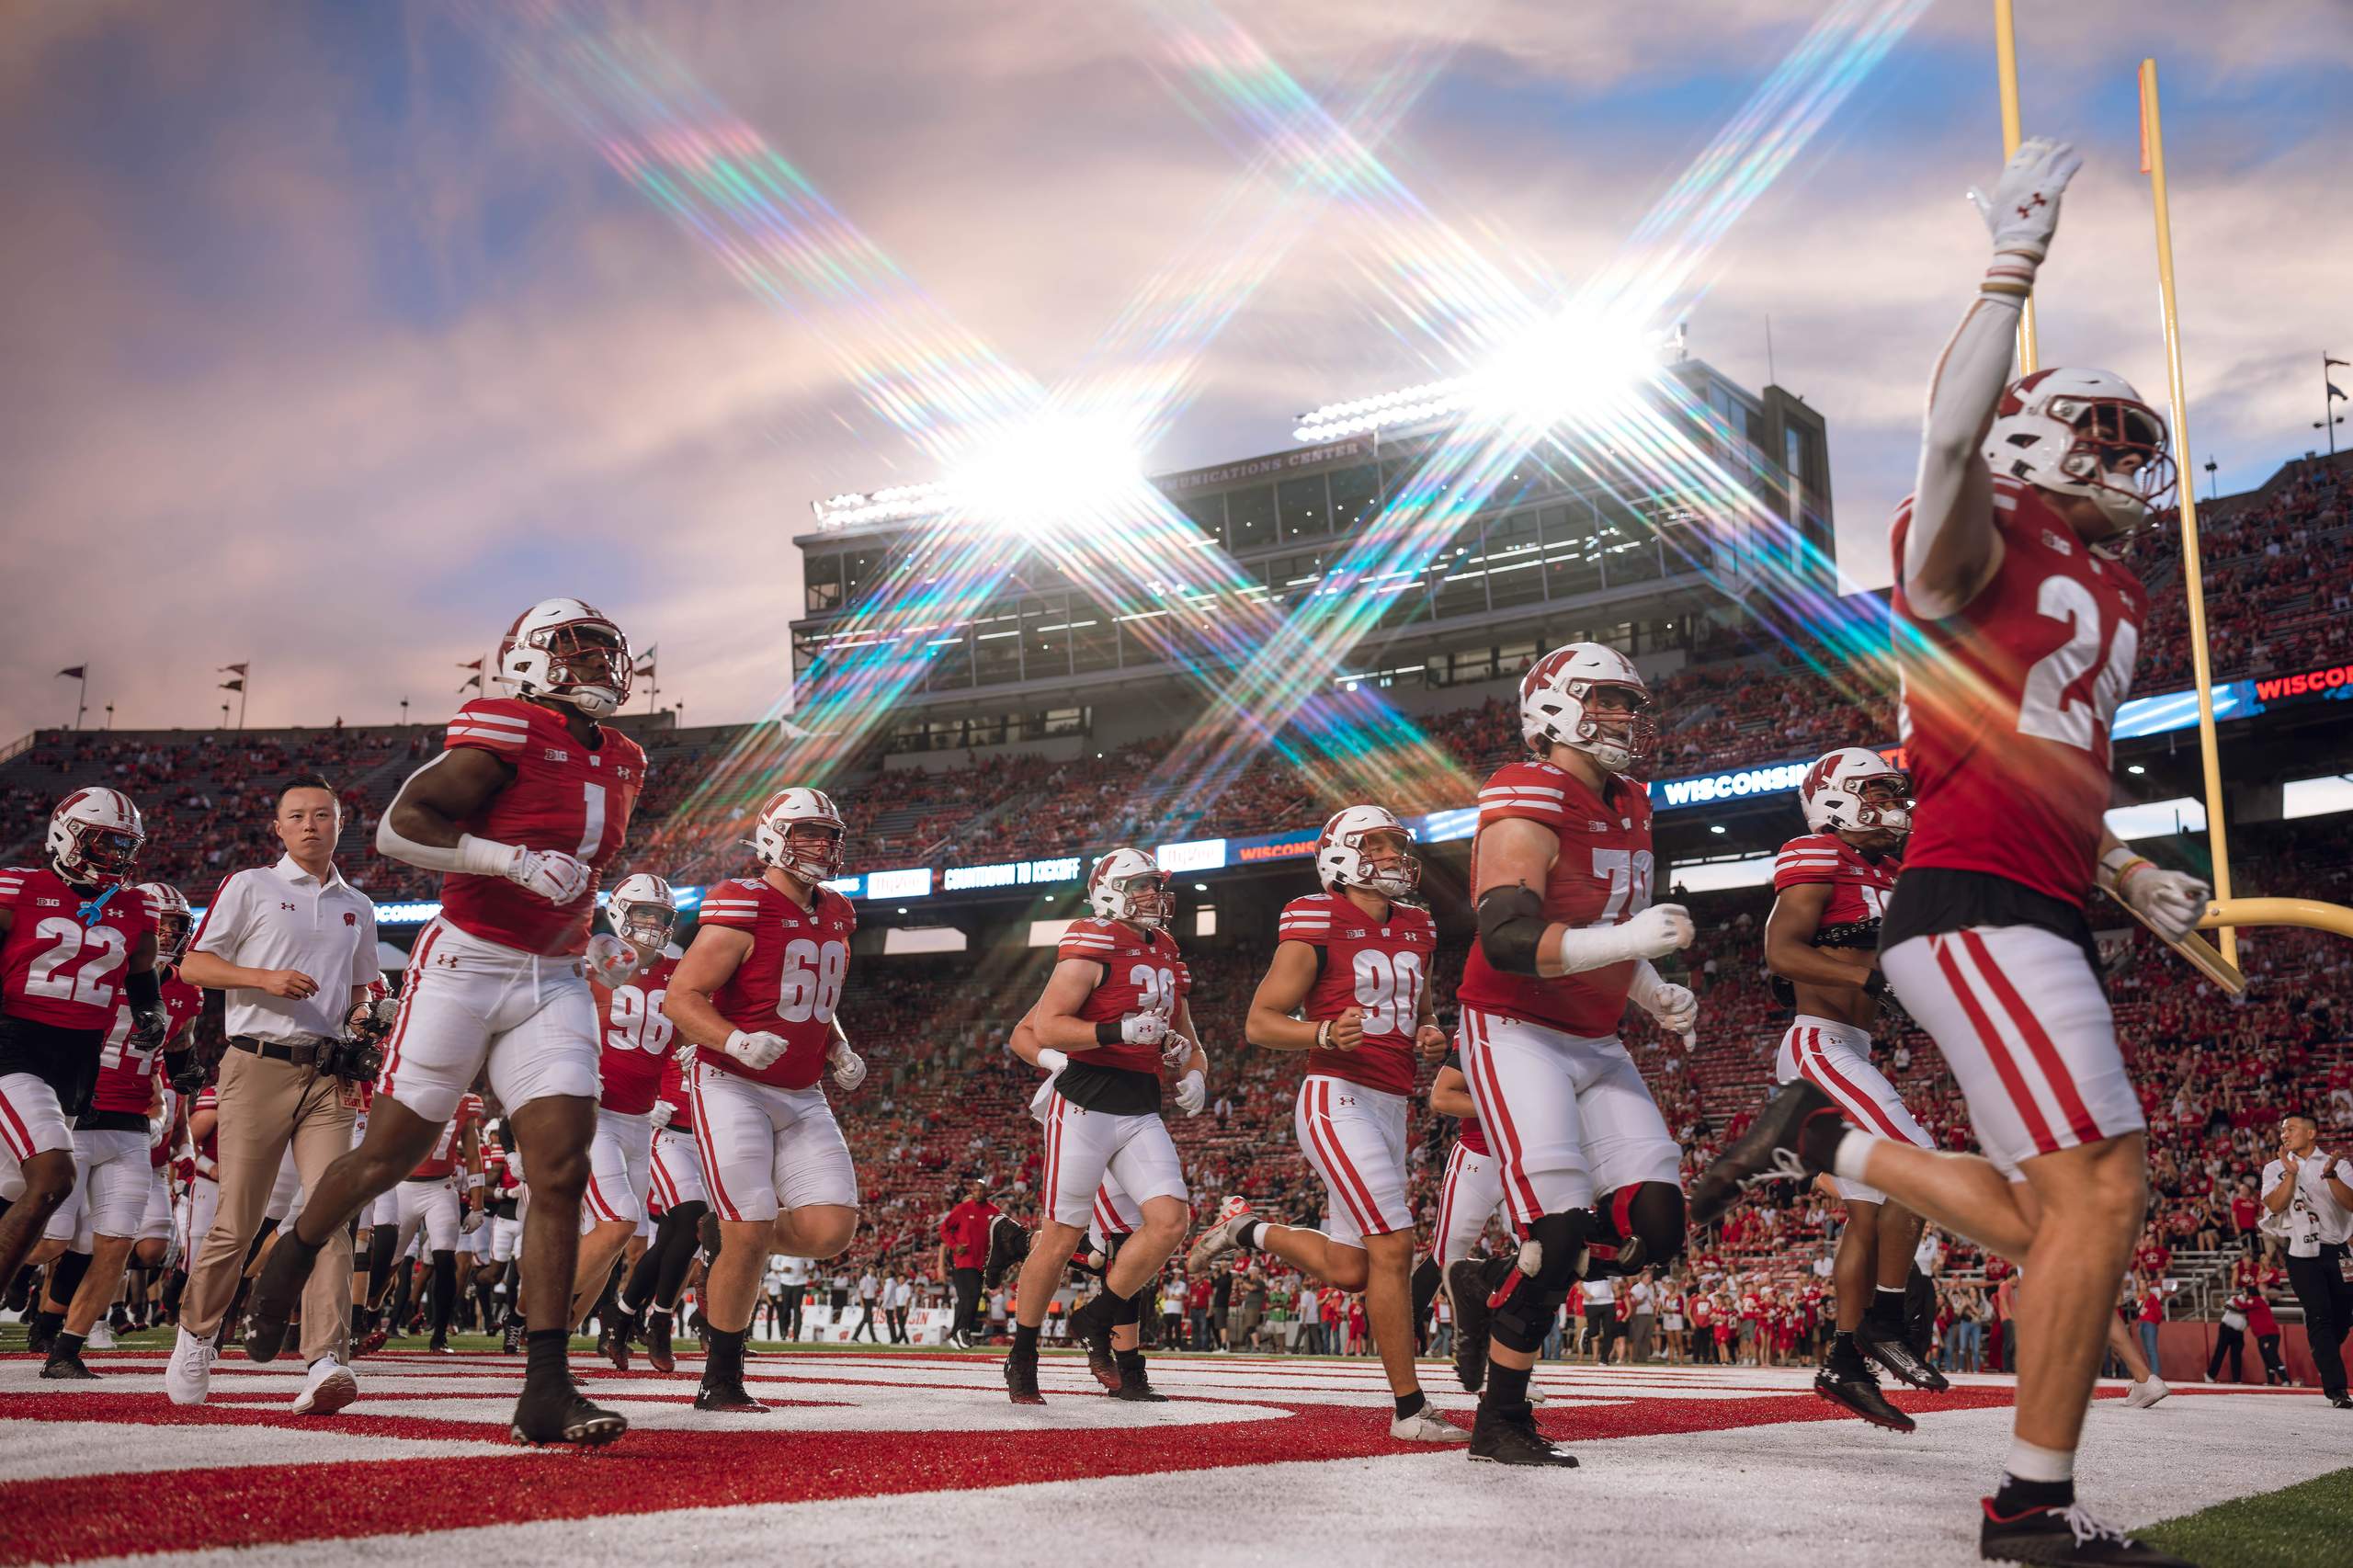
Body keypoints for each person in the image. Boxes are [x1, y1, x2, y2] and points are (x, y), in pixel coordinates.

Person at [1691, 140, 2208, 1565]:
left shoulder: (2111, 586)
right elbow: (1940, 450)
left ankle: (1844, 1142)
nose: (2127, 459)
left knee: (2066, 1214)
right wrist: (2008, 273)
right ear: (2038, 442)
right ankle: (2030, 1506)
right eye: (2102, 432)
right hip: (1974, 905)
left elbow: (2042, 762)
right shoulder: (1979, 532)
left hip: (2044, 890)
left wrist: (2127, 871)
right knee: (2101, 1187)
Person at [237, 598, 648, 1449]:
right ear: (530, 660)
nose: (597, 666)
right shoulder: (507, 727)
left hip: (556, 977)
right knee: (386, 1156)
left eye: (603, 651)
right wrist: (506, 859)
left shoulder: (627, 757)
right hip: (465, 964)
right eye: (575, 651)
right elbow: (399, 829)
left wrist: (589, 923)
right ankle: (292, 1250)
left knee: (561, 1169)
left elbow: (572, 868)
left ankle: (545, 1387)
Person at [1447, 641, 1698, 1465]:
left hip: (1595, 1032)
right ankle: (1502, 1419)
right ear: (1551, 706)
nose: (1625, 716)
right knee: (1558, 1237)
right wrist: (1628, 942)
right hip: (1515, 1026)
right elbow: (1510, 934)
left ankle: (1494, 1281)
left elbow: (1603, 923)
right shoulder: (1526, 790)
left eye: (1630, 702)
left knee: (1657, 1227)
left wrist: (1647, 985)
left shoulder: (1632, 801)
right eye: (1605, 699)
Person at [1188, 804, 1463, 1441]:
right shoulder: (1316, 917)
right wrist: (1320, 1031)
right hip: (1337, 1094)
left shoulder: (1419, 925)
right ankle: (1410, 1411)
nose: (1395, 856)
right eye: (1380, 845)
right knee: (1394, 1247)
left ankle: (1245, 1229)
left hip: (1391, 1103)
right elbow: (1260, 1021)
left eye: (1398, 845)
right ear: (1342, 856)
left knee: (1351, 1268)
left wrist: (1428, 1034)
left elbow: (1419, 1007)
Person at [169, 778, 380, 1417]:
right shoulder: (250, 885)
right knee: (237, 1219)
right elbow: (193, 966)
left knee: (330, 1216)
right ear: (279, 829)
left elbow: (363, 990)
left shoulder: (359, 906)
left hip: (328, 1072)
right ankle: (198, 1336)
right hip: (256, 1063)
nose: (311, 824)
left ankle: (324, 1359)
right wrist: (262, 977)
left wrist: (369, 1020)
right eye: (298, 816)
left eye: (323, 815)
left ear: (341, 824)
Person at [661, 786, 867, 1411]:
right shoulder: (743, 903)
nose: (824, 847)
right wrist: (734, 1040)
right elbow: (681, 996)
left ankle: (726, 1232)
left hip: (801, 1089)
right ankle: (721, 1378)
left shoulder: (837, 911)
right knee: (748, 1230)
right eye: (809, 834)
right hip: (732, 1082)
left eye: (830, 836)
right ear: (774, 837)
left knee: (832, 1228)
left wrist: (837, 1049)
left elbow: (814, 1002)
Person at [1764, 747, 1945, 1430]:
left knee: (1869, 1213)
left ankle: (1843, 1361)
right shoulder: (1817, 853)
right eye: (1876, 789)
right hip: (1818, 1040)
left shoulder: (1889, 871)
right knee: (1915, 1163)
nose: (1893, 801)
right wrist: (1869, 979)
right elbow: (1783, 952)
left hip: (1854, 1046)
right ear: (1838, 797)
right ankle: (1886, 1323)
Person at [1001, 848, 1205, 1405]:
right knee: (1062, 1236)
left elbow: (1187, 1037)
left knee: (1169, 1223)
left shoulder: (1166, 949)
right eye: (1139, 886)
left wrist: (1194, 1071)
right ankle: (1022, 1354)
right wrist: (1116, 1032)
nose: (1152, 896)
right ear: (1111, 890)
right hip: (1086, 1107)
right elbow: (1045, 1026)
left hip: (1140, 1109)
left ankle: (1098, 1315)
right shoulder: (1091, 940)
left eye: (1154, 886)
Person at [31, 882, 204, 1379]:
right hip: (76, 1115)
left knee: (116, 1242)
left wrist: (185, 1066)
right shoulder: (98, 968)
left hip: (131, 1126)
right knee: (49, 1243)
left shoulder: (187, 991)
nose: (168, 934)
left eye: (176, 925)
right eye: (159, 925)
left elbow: (181, 1040)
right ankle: (32, 1302)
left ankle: (66, 1349)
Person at [0, 791, 165, 1293]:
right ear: (65, 834)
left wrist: (151, 1012)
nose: (116, 857)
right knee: (53, 1178)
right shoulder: (18, 886)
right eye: (104, 843)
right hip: (17, 1045)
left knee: (13, 1191)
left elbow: (143, 977)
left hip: (77, 1061)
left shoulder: (136, 906)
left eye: (124, 846)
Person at [567, 873, 680, 1369]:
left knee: (617, 1240)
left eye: (660, 916)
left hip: (642, 1120)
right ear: (618, 912)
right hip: (596, 1112)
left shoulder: (682, 967)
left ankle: (550, 1346)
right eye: (644, 914)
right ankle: (539, 1326)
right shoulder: (591, 959)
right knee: (617, 1222)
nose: (653, 924)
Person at [620, 1043, 709, 1370]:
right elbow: (623, 1070)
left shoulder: (735, 1020)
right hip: (670, 1136)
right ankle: (660, 1320)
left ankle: (623, 1314)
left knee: (674, 1243)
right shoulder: (662, 1019)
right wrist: (645, 1106)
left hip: (715, 1142)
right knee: (692, 1225)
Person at [2260, 1109, 2353, 1408]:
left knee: (2342, 1317)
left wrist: (2330, 1175)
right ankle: (2337, 1389)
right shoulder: (2275, 1167)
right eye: (2283, 1130)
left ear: (2311, 1133)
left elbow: (2351, 1203)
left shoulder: (2339, 1165)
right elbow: (2274, 1205)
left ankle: (2322, 1349)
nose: (2285, 1134)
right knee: (2319, 1315)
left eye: (2291, 1129)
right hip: (2300, 1251)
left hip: (2336, 1250)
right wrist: (2290, 1173)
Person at [938, 1176, 1000, 1347]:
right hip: (963, 1261)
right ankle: (963, 1331)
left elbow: (999, 1236)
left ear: (987, 1192)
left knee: (967, 1298)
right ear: (972, 1192)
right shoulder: (963, 1209)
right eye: (976, 1190)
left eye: (982, 1190)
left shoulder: (994, 1211)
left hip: (982, 1263)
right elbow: (943, 1229)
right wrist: (955, 1245)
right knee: (973, 1295)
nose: (979, 1193)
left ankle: (956, 1334)